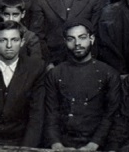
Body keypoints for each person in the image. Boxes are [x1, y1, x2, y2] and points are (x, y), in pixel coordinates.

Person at [44, 19, 122, 150]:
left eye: (82, 37)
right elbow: (51, 113)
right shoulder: (55, 73)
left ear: (92, 39)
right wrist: (56, 144)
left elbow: (110, 115)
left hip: (98, 144)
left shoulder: (109, 73)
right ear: (65, 41)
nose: (77, 43)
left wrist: (93, 145)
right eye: (71, 39)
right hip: (63, 143)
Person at [30, 0, 104, 66]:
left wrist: (88, 63)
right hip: (52, 61)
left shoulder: (92, 0)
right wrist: (47, 63)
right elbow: (37, 35)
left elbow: (95, 35)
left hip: (83, 60)